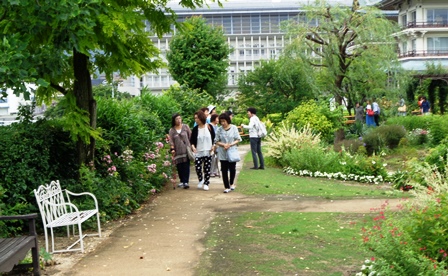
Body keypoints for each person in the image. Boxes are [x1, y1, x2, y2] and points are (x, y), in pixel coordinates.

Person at [214, 112, 242, 193]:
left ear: (227, 120)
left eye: (224, 121)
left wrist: (230, 144)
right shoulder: (219, 129)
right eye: (221, 121)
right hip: (222, 151)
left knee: (232, 168)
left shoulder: (233, 128)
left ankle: (232, 183)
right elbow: (216, 140)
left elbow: (238, 139)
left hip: (232, 150)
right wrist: (223, 145)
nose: (222, 123)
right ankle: (226, 186)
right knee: (224, 169)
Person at [190, 110, 216, 191]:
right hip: (198, 151)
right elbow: (192, 141)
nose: (196, 120)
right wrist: (193, 147)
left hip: (208, 150)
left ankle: (206, 183)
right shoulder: (195, 129)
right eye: (195, 118)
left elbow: (214, 139)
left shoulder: (209, 127)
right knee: (198, 167)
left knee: (207, 168)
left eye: (197, 118)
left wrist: (213, 146)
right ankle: (201, 179)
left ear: (201, 118)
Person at [168, 113, 192, 189]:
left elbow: (190, 136)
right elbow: (171, 141)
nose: (178, 120)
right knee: (180, 166)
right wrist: (172, 149)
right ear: (174, 121)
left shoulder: (185, 127)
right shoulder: (172, 130)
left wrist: (192, 146)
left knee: (186, 166)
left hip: (186, 150)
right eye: (176, 119)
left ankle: (186, 182)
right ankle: (182, 181)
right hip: (177, 151)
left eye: (179, 118)